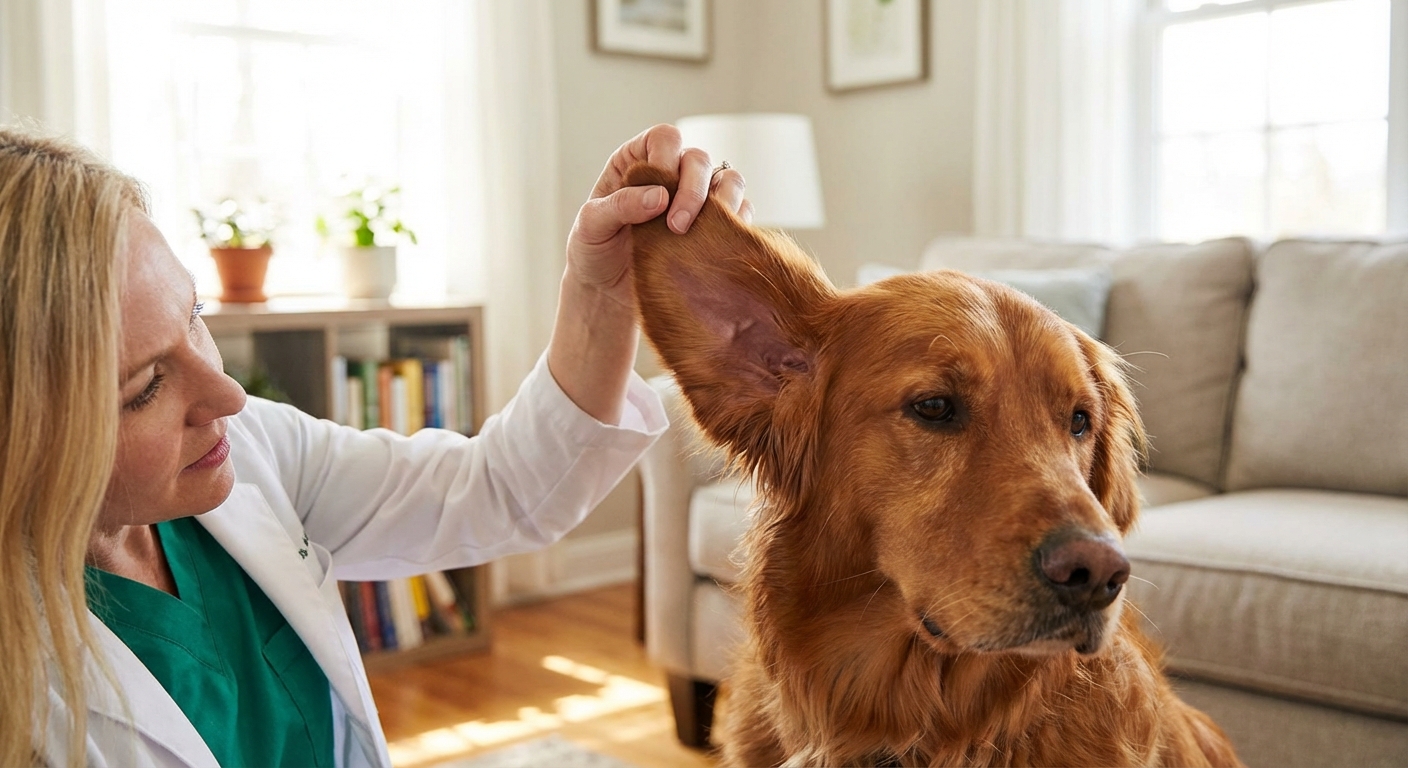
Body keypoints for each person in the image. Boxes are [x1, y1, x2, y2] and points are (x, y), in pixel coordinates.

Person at [0, 123, 753, 768]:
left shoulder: (249, 448)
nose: (228, 395)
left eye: (194, 315)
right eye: (144, 387)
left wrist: (603, 291)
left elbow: (497, 492)